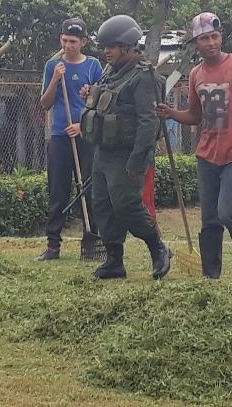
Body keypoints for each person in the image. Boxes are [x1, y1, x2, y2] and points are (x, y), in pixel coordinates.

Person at [157, 12, 232, 289]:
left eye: (214, 36)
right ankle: (211, 277)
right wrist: (171, 113)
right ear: (196, 42)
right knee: (209, 220)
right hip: (207, 155)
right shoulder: (196, 74)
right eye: (204, 38)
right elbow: (195, 115)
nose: (211, 42)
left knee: (228, 212)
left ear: (221, 36)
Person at [77, 14, 172, 281]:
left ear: (130, 46)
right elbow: (106, 101)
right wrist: (90, 94)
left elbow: (148, 121)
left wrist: (138, 159)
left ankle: (158, 248)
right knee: (102, 206)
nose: (108, 51)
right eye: (106, 46)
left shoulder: (145, 76)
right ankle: (114, 261)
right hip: (104, 151)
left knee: (126, 205)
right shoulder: (111, 71)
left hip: (127, 153)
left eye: (114, 46)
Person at [36, 17, 103, 261]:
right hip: (60, 136)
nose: (68, 45)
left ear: (83, 42)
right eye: (64, 40)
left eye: (73, 41)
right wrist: (55, 79)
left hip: (86, 137)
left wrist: (83, 126)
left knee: (89, 189)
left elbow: (101, 104)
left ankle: (91, 239)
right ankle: (53, 245)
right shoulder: (52, 66)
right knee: (57, 190)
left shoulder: (94, 66)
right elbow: (45, 104)